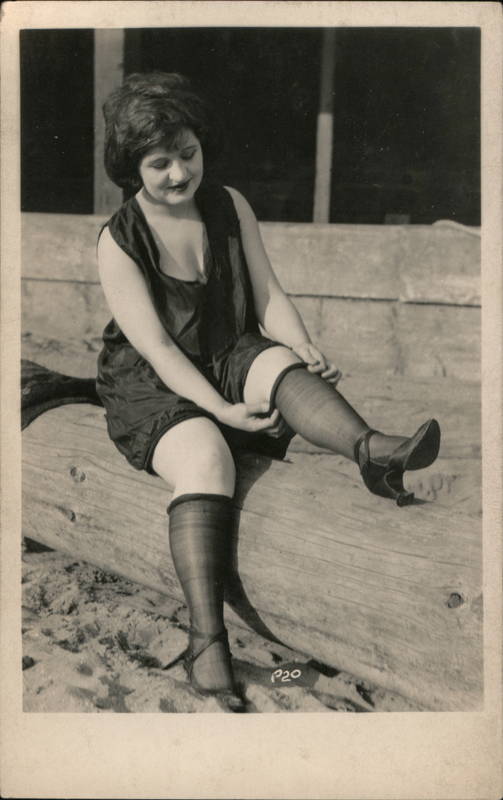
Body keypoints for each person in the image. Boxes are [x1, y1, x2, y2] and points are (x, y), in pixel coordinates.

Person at [96, 72, 440, 712]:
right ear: (130, 168)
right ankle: (207, 644)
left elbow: (268, 295)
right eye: (160, 163)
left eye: (189, 154)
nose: (179, 174)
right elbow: (162, 350)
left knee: (278, 355)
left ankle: (373, 452)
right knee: (207, 460)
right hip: (153, 381)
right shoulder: (119, 239)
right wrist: (222, 410)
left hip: (228, 351)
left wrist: (302, 341)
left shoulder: (228, 203)